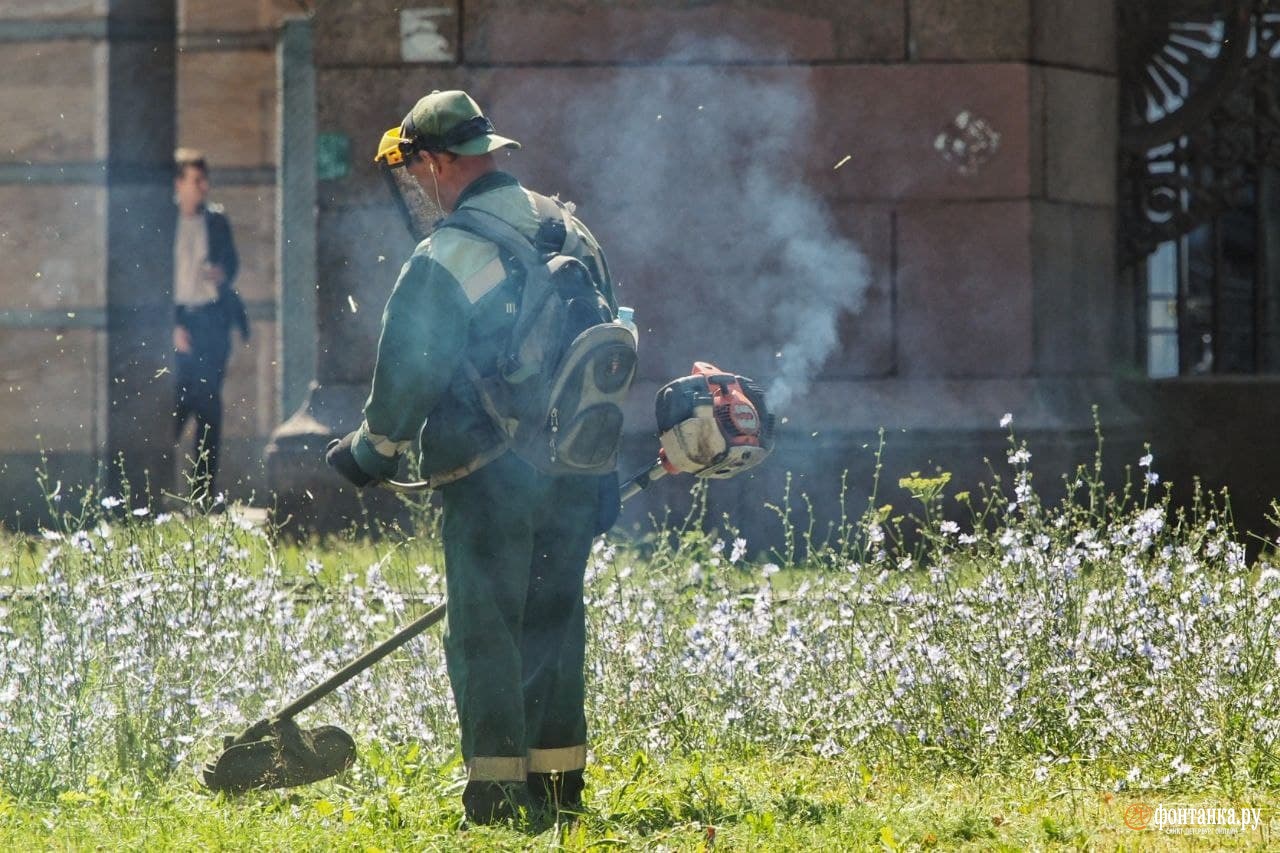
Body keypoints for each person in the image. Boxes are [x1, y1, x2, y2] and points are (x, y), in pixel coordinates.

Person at [325, 90, 620, 825]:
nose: (416, 185)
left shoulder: (448, 252)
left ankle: (495, 795)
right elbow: (607, 346)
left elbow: (409, 370)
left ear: (438, 162)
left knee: (487, 626)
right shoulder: (573, 229)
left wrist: (372, 452)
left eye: (417, 169)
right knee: (556, 618)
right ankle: (559, 789)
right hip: (577, 469)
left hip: (490, 474)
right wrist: (604, 466)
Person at [171, 148, 249, 507]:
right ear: (179, 184)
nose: (204, 187)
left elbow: (231, 262)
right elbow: (151, 281)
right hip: (177, 322)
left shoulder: (216, 221)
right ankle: (148, 489)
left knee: (209, 409)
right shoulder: (164, 222)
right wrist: (170, 326)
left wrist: (221, 274)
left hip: (211, 323)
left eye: (205, 180)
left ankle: (201, 495)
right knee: (171, 408)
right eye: (196, 180)